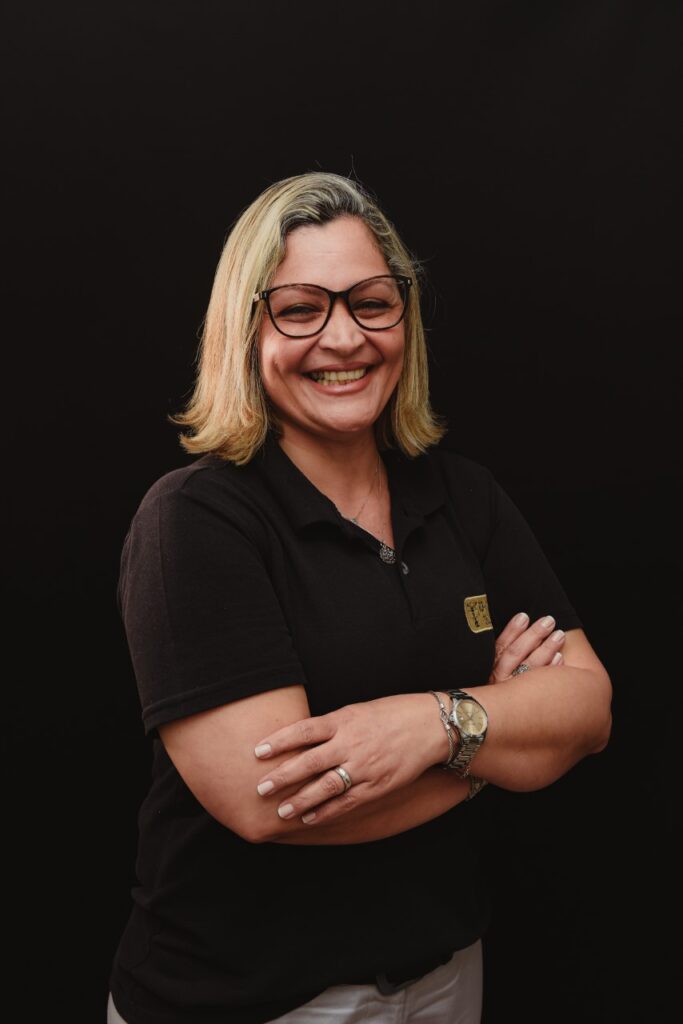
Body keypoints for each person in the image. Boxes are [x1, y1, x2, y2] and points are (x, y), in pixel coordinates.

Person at [108, 171, 612, 1024]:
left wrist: (432, 724)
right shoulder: (195, 520)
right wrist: (498, 744)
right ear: (245, 329)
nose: (343, 338)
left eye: (371, 303)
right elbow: (269, 804)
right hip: (246, 1001)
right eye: (300, 309)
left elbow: (589, 708)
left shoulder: (464, 496)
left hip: (444, 975)